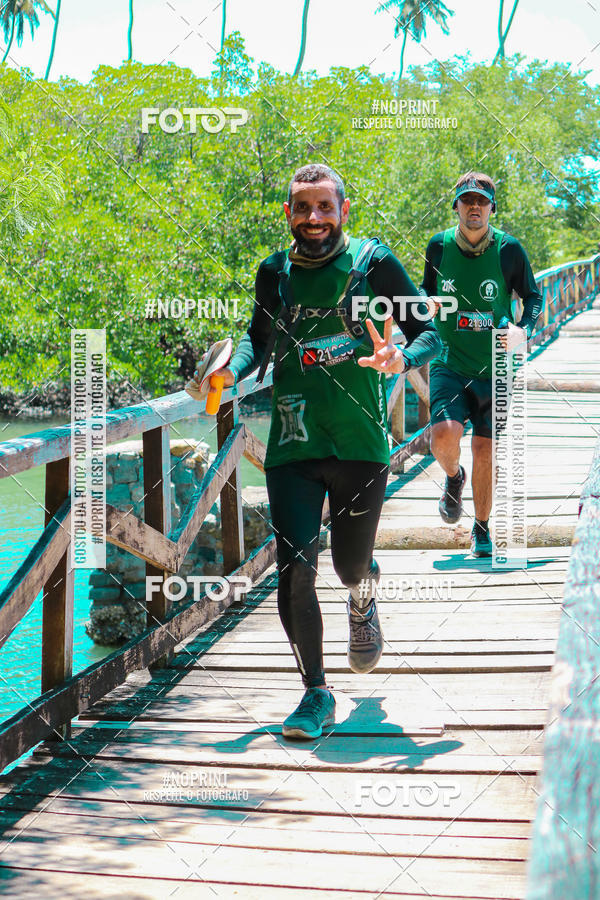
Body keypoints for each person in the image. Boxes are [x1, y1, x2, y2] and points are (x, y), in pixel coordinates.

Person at [203, 163, 441, 740]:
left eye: (324, 208)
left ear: (343, 211)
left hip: (359, 444)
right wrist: (226, 376)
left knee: (346, 565)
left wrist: (402, 359)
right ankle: (315, 692)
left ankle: (364, 590)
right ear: (288, 213)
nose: (314, 219)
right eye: (302, 208)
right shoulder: (275, 272)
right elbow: (258, 346)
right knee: (295, 573)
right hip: (293, 443)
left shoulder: (373, 264)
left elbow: (429, 331)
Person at [421, 171, 542, 557]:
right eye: (467, 199)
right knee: (442, 436)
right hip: (449, 361)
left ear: (492, 207)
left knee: (485, 451)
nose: (475, 206)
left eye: (482, 200)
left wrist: (524, 329)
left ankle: (481, 528)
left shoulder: (509, 250)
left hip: (497, 367)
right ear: (456, 205)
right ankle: (453, 478)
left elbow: (534, 297)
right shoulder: (439, 247)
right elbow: (426, 289)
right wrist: (425, 302)